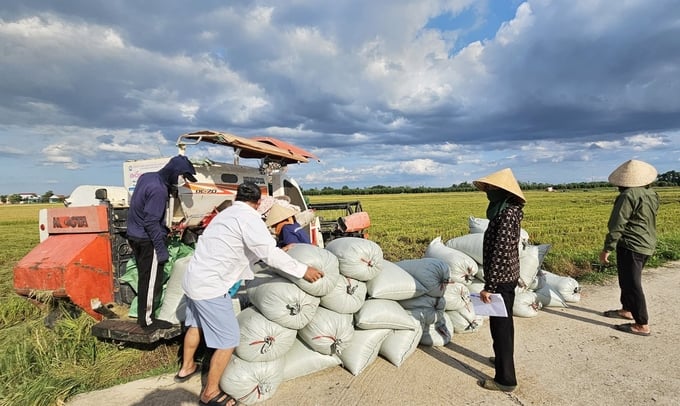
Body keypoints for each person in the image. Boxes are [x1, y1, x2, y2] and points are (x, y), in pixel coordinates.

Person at [175, 182, 324, 406]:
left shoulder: (225, 215)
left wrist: (275, 252)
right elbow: (266, 252)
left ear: (238, 197)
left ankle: (187, 367)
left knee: (195, 324)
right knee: (228, 340)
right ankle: (210, 393)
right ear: (257, 202)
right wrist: (303, 270)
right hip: (211, 287)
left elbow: (242, 249)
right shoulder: (249, 218)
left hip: (195, 279)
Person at [127, 155, 197, 331]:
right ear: (176, 173)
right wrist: (161, 249)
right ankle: (148, 321)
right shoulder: (159, 190)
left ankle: (143, 317)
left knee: (144, 278)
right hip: (147, 239)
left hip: (134, 234)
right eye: (183, 177)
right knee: (151, 281)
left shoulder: (147, 177)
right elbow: (151, 222)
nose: (183, 181)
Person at [473, 168, 525, 392]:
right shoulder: (510, 211)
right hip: (509, 276)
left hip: (501, 280)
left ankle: (505, 379)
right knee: (505, 325)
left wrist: (489, 287)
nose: (488, 192)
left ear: (502, 191)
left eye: (491, 188)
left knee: (501, 328)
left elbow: (500, 252)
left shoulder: (504, 215)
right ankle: (503, 359)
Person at [600, 159, 658, 337]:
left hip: (632, 245)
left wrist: (607, 248)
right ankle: (627, 309)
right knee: (626, 279)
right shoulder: (652, 194)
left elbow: (617, 224)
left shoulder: (627, 197)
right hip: (647, 242)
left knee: (632, 283)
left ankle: (641, 323)